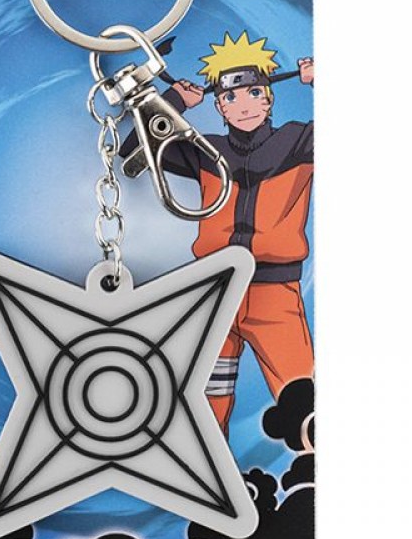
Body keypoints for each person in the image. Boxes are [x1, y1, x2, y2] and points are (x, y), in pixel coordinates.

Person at [133, 30, 314, 437]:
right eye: (231, 96)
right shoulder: (204, 150)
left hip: (274, 295)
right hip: (214, 293)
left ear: (269, 99)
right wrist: (174, 101)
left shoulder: (298, 142)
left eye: (254, 92)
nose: (243, 104)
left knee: (304, 405)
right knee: (202, 409)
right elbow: (137, 149)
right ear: (218, 105)